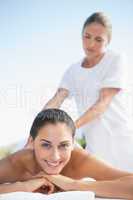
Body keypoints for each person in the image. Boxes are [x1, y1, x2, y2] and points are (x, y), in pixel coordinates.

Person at [43, 12, 133, 171]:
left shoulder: (116, 59)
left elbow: (102, 104)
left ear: (108, 41)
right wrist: (39, 125)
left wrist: (69, 128)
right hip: (95, 146)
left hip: (122, 142)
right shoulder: (73, 70)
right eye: (87, 36)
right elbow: (57, 99)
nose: (91, 44)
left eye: (99, 39)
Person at [0, 108, 133, 199]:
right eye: (46, 145)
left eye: (64, 145)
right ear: (32, 142)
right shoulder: (18, 163)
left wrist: (72, 184)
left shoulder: (80, 160)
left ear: (72, 144)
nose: (55, 156)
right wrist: (24, 186)